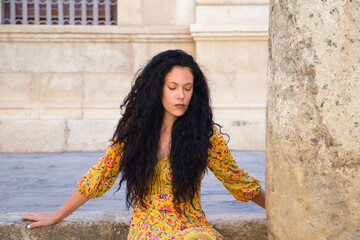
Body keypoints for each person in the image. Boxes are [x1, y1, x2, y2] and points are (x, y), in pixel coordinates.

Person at [21, 49, 265, 239]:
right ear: (157, 89)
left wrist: (286, 211)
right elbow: (99, 177)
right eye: (173, 87)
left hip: (193, 229)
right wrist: (56, 215)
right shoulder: (133, 131)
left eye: (187, 88)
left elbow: (239, 183)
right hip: (147, 231)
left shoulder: (204, 135)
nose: (181, 95)